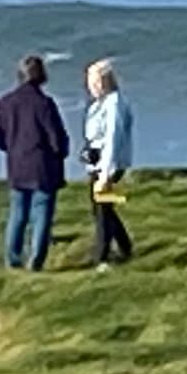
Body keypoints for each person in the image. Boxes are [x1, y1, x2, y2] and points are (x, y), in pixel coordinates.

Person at [0, 53, 73, 270]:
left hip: (17, 165)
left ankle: (13, 258)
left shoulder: (6, 103)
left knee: (17, 213)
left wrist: (13, 149)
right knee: (41, 213)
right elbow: (56, 138)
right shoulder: (44, 104)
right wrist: (62, 152)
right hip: (43, 166)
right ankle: (36, 259)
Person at [81, 58, 137, 267]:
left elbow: (113, 138)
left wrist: (105, 174)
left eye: (92, 82)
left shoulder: (114, 104)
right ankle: (125, 247)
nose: (89, 87)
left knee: (103, 210)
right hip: (97, 163)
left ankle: (102, 257)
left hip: (109, 166)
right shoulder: (101, 103)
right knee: (101, 208)